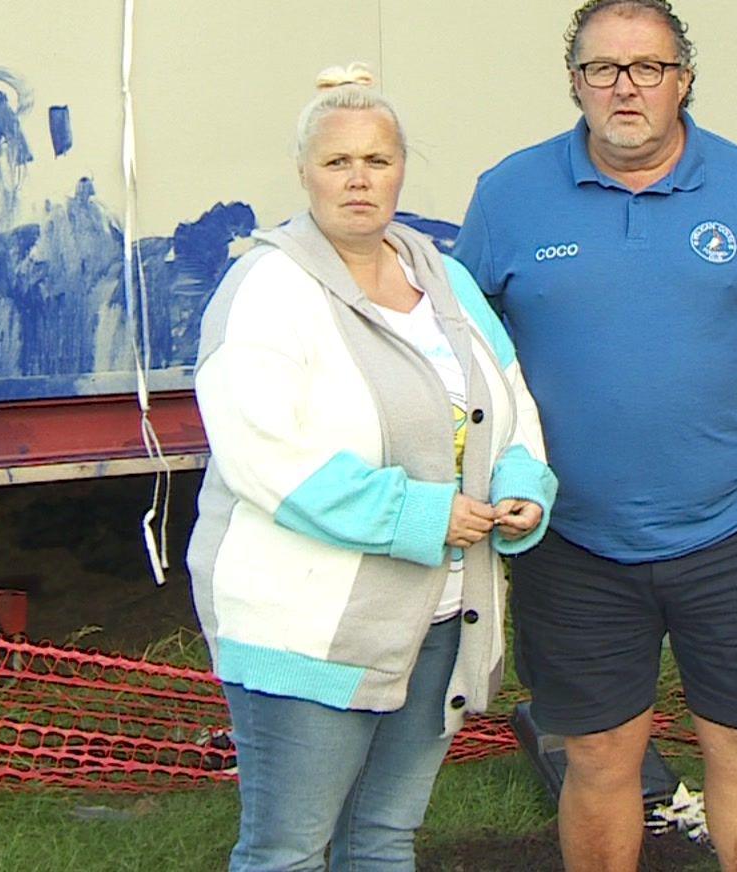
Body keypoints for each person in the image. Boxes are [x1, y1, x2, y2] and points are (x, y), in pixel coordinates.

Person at [453, 0, 737, 872]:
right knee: (598, 759)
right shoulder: (510, 194)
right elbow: (460, 359)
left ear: (684, 82)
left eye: (649, 68)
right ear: (575, 83)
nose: (625, 88)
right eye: (603, 69)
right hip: (573, 539)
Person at [187, 64, 556, 872]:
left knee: (384, 838)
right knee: (289, 850)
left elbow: (510, 400)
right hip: (308, 625)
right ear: (304, 174)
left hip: (441, 611)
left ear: (401, 170)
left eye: (378, 160)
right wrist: (420, 517)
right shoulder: (265, 288)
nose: (359, 179)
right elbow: (266, 456)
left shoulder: (443, 276)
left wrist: (522, 486)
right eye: (337, 162)